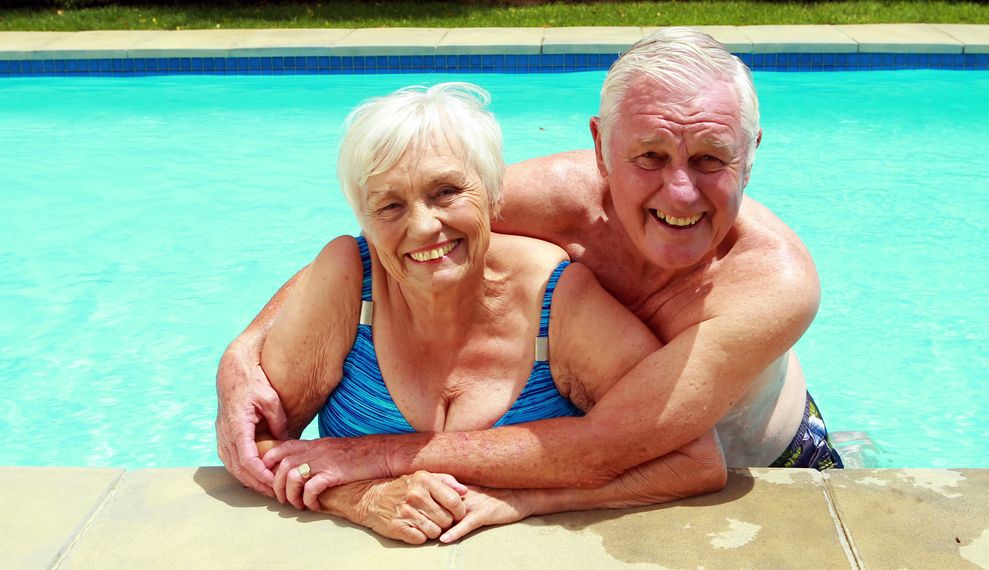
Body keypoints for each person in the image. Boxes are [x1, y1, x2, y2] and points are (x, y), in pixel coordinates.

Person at [217, 27, 841, 511]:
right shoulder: (552, 200)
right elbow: (390, 238)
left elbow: (609, 446)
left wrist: (376, 458)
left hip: (768, 457)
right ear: (600, 147)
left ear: (751, 155)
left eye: (710, 158)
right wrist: (246, 347)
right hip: (604, 461)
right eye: (649, 155)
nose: (680, 192)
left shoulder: (773, 282)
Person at [252, 82, 727, 544]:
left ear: (494, 194)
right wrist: (360, 496)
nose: (422, 226)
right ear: (364, 219)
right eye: (390, 205)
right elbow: (252, 443)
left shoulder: (557, 300)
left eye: (445, 193)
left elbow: (694, 458)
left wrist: (533, 497)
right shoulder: (348, 283)